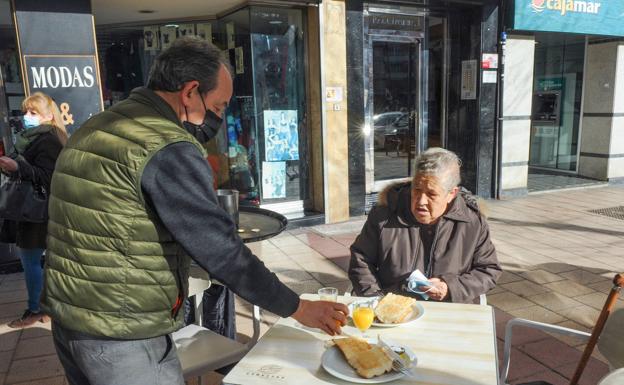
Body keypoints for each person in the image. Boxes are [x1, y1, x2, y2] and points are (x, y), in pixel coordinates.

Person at [40, 37, 348, 385]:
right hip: (123, 331)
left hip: (69, 317)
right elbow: (221, 251)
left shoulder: (95, 127)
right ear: (190, 92)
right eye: (218, 107)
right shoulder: (165, 145)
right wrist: (298, 307)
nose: (220, 118)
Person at [349, 147, 502, 303]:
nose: (421, 201)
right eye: (416, 190)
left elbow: (488, 270)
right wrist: (376, 300)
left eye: (431, 194)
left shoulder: (472, 222)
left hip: (449, 311)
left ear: (452, 194)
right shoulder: (384, 215)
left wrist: (450, 288)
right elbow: (361, 259)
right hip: (394, 306)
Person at [0, 92, 66, 327]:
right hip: (37, 210)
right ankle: (46, 307)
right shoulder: (36, 137)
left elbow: (47, 176)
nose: (27, 116)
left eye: (33, 112)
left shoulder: (46, 139)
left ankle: (36, 309)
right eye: (26, 111)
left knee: (31, 261)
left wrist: (17, 166)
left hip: (37, 210)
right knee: (39, 260)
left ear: (48, 116)